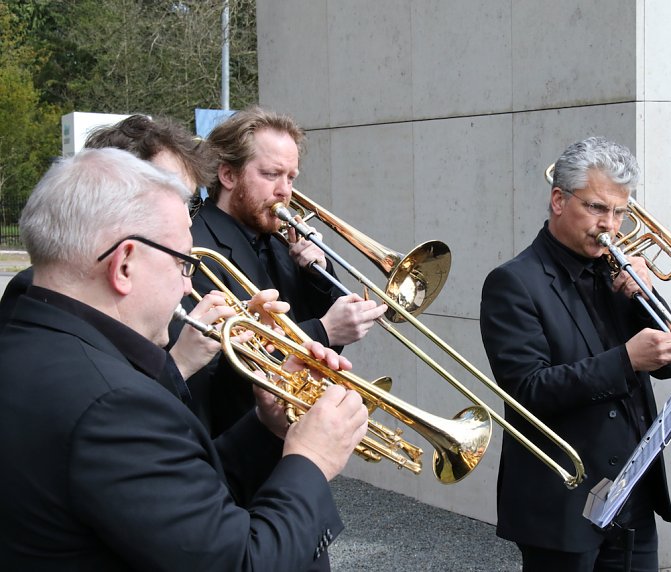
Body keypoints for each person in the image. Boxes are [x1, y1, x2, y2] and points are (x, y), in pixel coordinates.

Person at [0, 148, 369, 570]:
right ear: (124, 266)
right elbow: (241, 563)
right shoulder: (115, 406)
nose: (186, 286)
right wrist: (311, 460)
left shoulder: (23, 338)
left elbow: (173, 503)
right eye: (183, 263)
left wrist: (266, 428)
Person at [480, 137, 671, 572]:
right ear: (559, 199)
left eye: (619, 212)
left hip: (633, 497)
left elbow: (669, 364)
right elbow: (528, 390)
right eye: (596, 207)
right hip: (562, 505)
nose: (609, 225)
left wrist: (648, 299)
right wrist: (626, 360)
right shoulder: (513, 282)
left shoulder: (619, 272)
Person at [185, 106, 387, 435]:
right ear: (228, 175)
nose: (285, 191)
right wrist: (322, 331)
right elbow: (217, 371)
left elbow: (329, 335)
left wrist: (317, 272)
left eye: (291, 177)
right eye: (271, 175)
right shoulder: (198, 248)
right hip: (237, 444)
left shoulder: (278, 242)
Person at [0, 114, 230, 381]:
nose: (185, 218)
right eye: (169, 195)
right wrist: (180, 365)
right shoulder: (40, 288)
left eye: (188, 202)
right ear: (112, 185)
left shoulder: (164, 271)